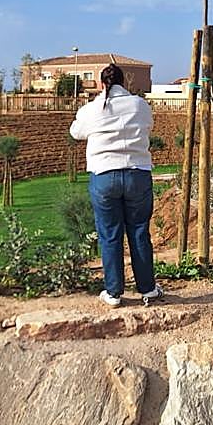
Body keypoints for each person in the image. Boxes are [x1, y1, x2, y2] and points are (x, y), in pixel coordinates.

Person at [69, 63, 162, 308]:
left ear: (102, 84)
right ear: (125, 82)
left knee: (110, 234)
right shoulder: (140, 105)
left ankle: (113, 292)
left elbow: (76, 132)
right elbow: (148, 126)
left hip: (104, 175)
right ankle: (148, 289)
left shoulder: (92, 109)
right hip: (137, 174)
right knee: (139, 232)